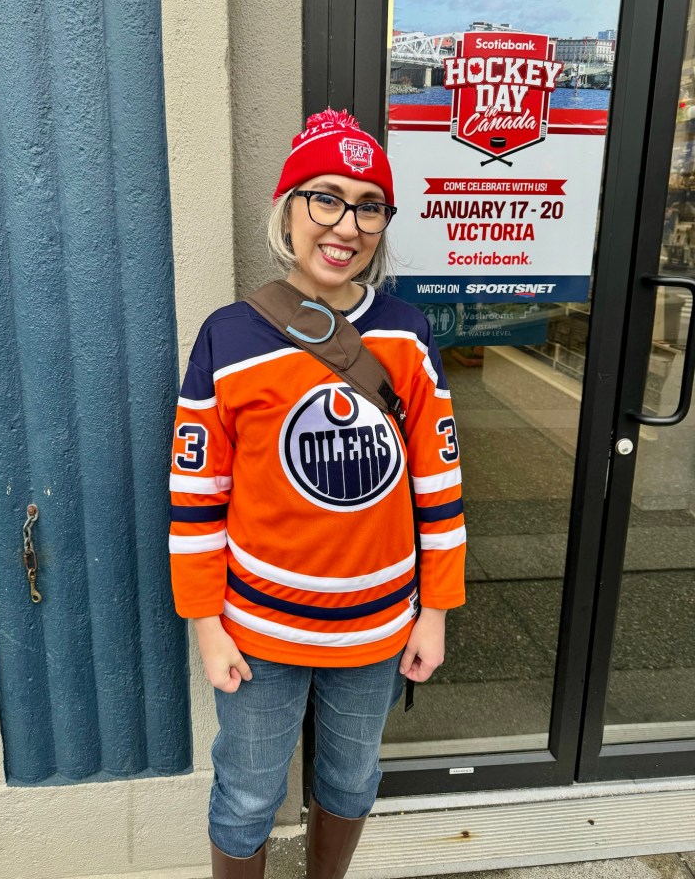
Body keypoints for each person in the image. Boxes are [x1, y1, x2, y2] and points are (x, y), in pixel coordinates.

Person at [169, 109, 466, 878]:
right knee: (246, 796)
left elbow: (438, 482)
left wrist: (433, 613)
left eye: (370, 204)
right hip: (259, 629)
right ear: (289, 209)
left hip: (376, 629)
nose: (346, 224)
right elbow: (196, 496)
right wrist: (207, 626)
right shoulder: (229, 338)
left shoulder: (406, 333)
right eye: (325, 197)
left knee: (350, 779)